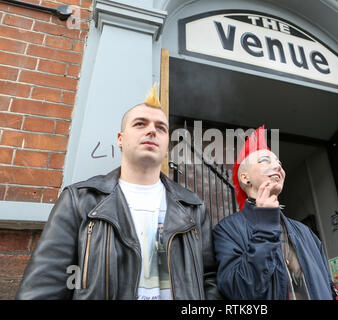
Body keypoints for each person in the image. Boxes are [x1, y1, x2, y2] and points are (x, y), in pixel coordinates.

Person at [16, 85, 220, 300]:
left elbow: (209, 277)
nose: (152, 131)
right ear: (120, 138)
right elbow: (44, 285)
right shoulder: (80, 200)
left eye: (161, 128)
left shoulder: (193, 207)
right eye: (140, 124)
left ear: (167, 143)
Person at [212, 125, 338, 300]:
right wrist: (265, 226)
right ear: (245, 177)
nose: (278, 166)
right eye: (266, 160)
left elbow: (328, 286)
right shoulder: (227, 230)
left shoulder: (305, 232)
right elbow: (240, 292)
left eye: (279, 163)